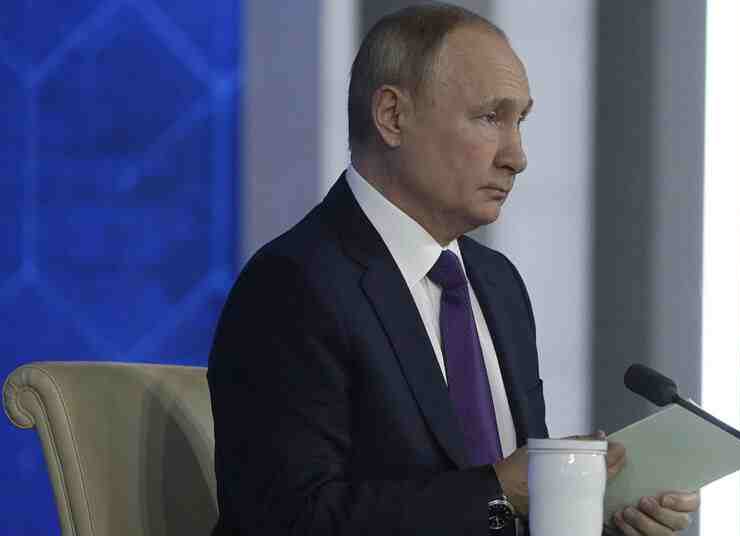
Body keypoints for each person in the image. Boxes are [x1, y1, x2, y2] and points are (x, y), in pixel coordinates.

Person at [207, 3, 699, 535]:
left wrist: (596, 517)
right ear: (393, 116)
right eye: (490, 117)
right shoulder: (293, 285)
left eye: (520, 121)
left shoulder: (498, 283)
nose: (517, 156)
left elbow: (511, 513)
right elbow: (286, 520)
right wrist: (499, 491)